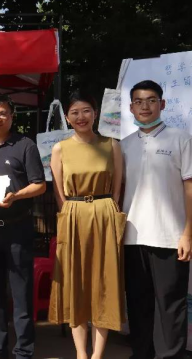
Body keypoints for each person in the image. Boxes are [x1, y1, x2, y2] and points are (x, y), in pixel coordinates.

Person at [48, 91, 126, 360]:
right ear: (67, 118)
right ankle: (81, 353)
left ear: (95, 114)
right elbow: (58, 193)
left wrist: (109, 210)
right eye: (75, 113)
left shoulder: (112, 145)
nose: (81, 117)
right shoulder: (60, 149)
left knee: (105, 282)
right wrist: (69, 216)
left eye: (86, 111)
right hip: (73, 214)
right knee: (76, 284)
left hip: (104, 214)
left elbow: (117, 189)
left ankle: (97, 355)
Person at [0, 94, 46, 360]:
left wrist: (16, 196)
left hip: (18, 228)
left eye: (2, 113)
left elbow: (40, 185)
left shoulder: (25, 145)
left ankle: (24, 349)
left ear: (11, 116)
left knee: (20, 291)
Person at [121, 80, 192, 359]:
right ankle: (141, 354)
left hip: (170, 237)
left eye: (151, 100)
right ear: (131, 108)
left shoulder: (180, 138)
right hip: (132, 238)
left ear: (162, 104)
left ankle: (171, 356)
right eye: (138, 101)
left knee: (170, 305)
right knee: (138, 304)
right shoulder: (124, 145)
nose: (145, 106)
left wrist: (187, 233)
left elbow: (189, 188)